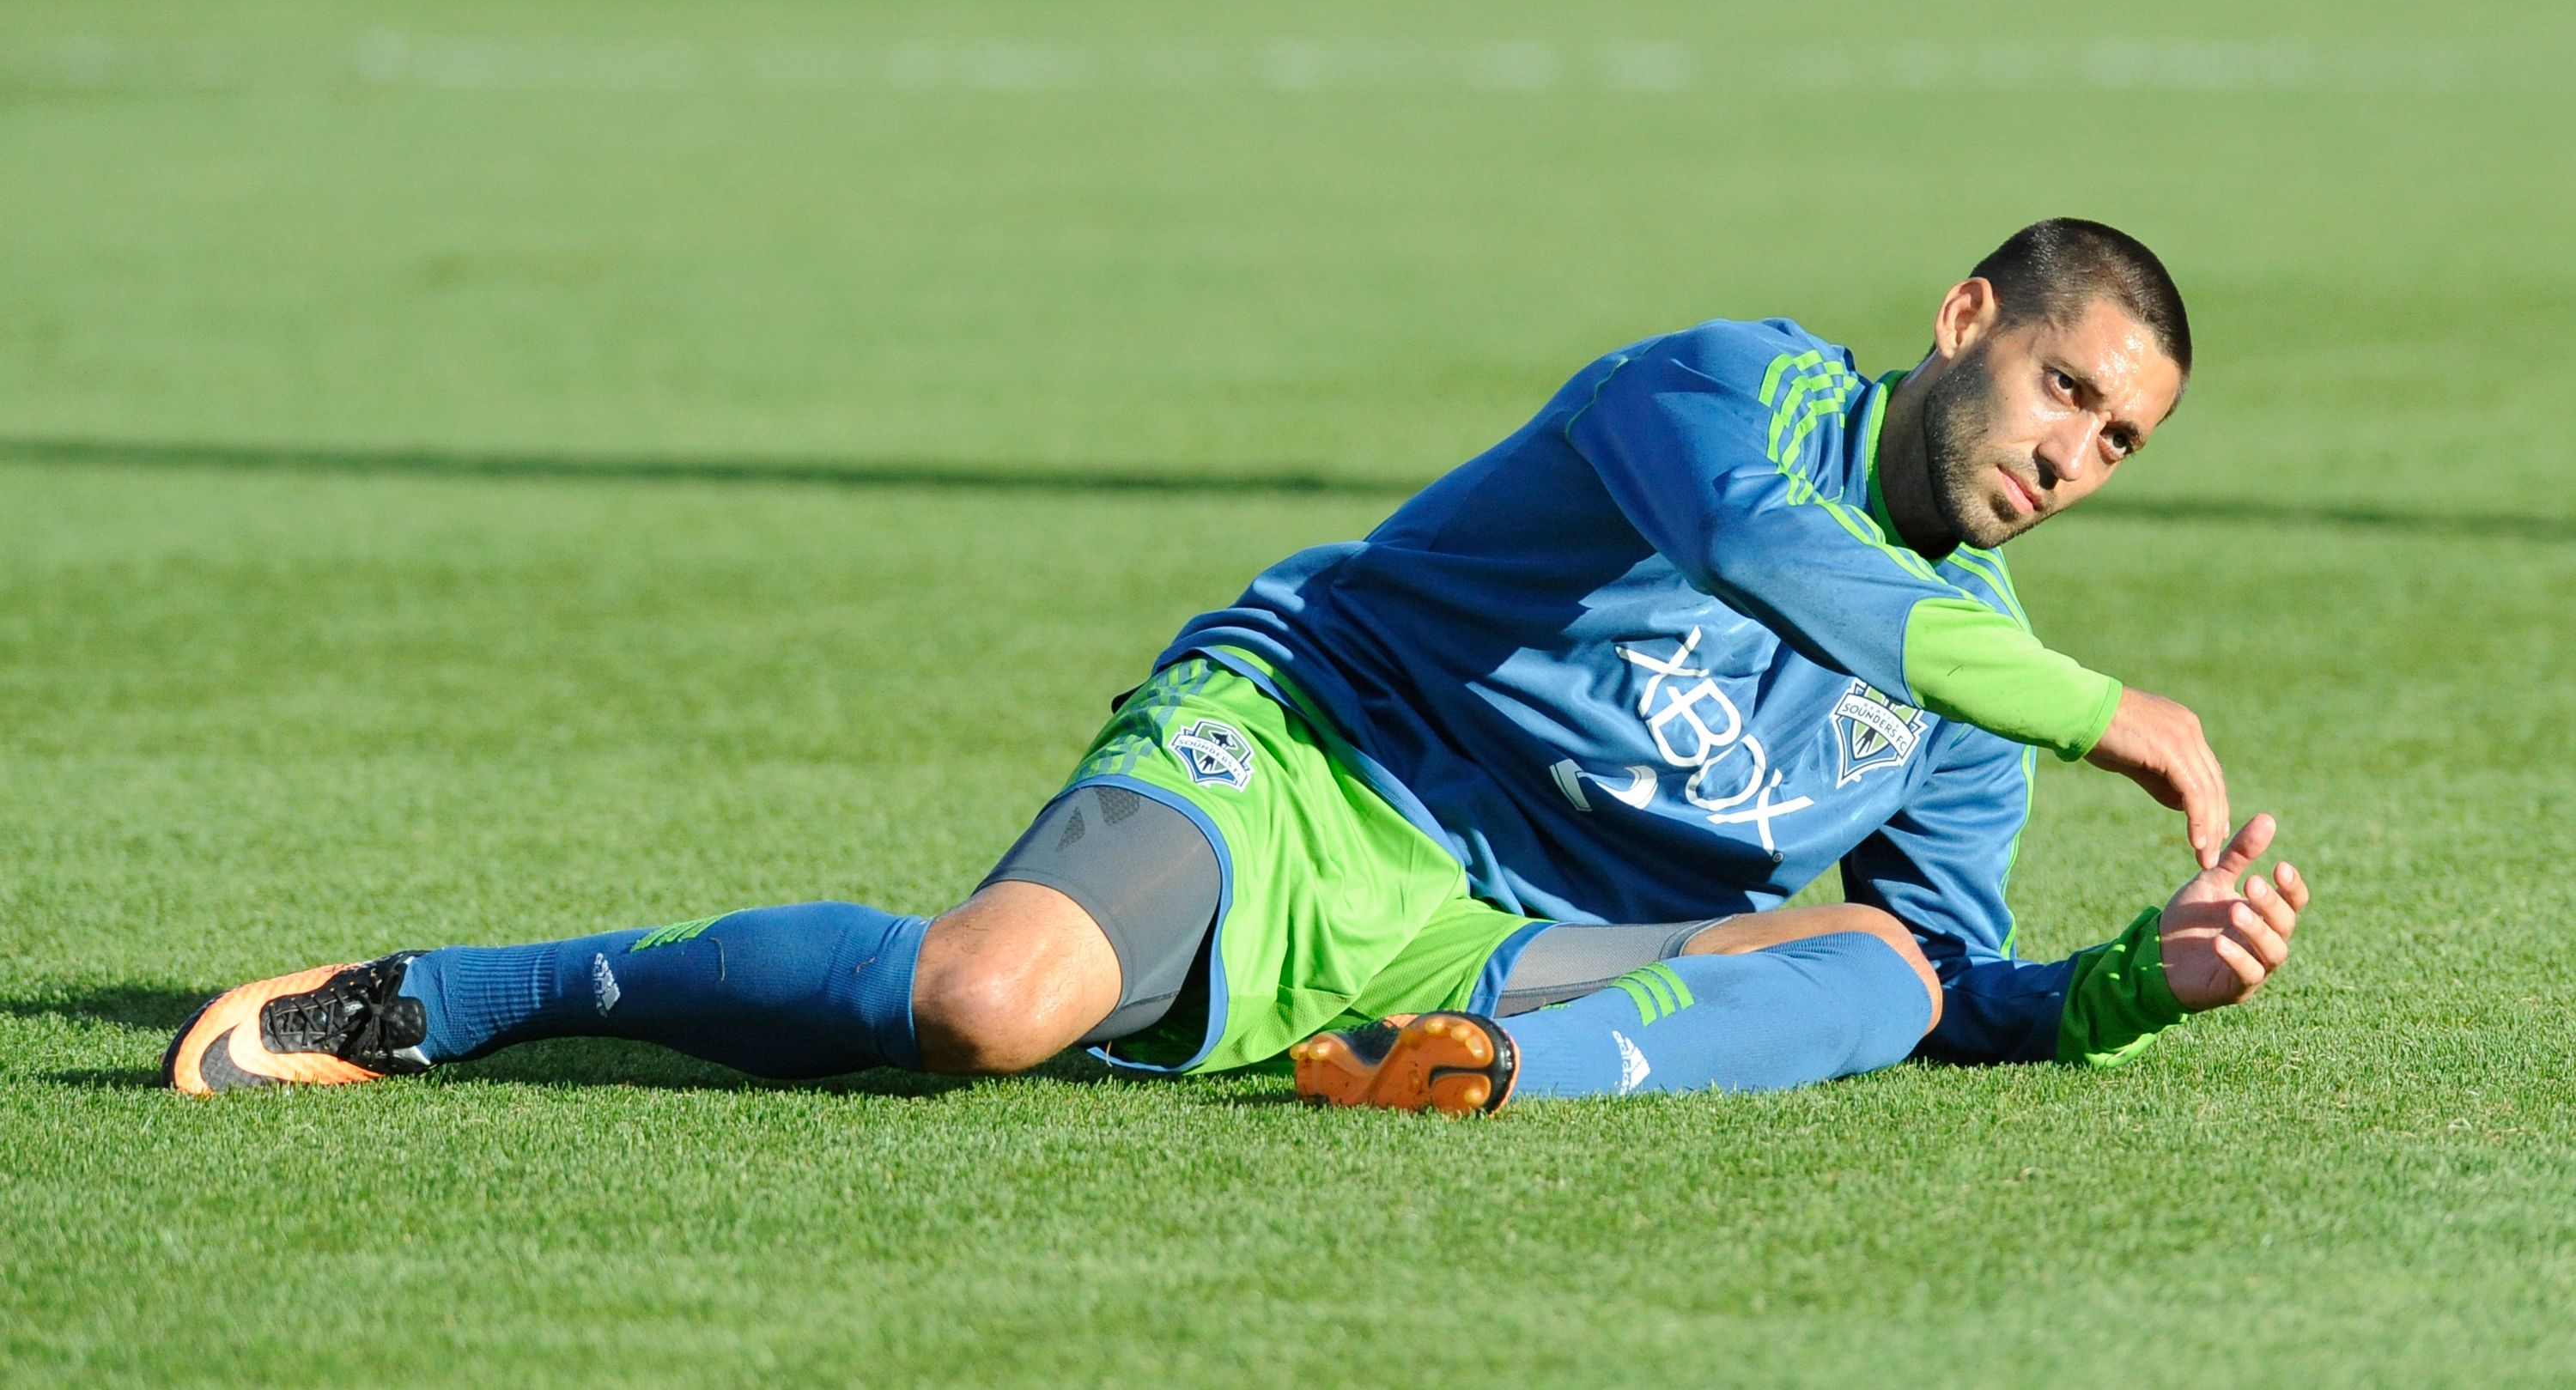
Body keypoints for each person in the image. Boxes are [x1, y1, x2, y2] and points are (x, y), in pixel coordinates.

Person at [162, 217, 2310, 1113]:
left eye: (2118, 442)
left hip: (1502, 950)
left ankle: (1457, 1086)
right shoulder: (1722, 395)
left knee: (1899, 967)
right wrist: (2111, 707)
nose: (2070, 456)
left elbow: (1949, 985)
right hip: (1305, 754)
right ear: (1963, 321)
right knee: (981, 1007)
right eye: (2062, 388)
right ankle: (472, 996)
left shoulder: (1972, 688)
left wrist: (2144, 977)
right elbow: (1778, 563)